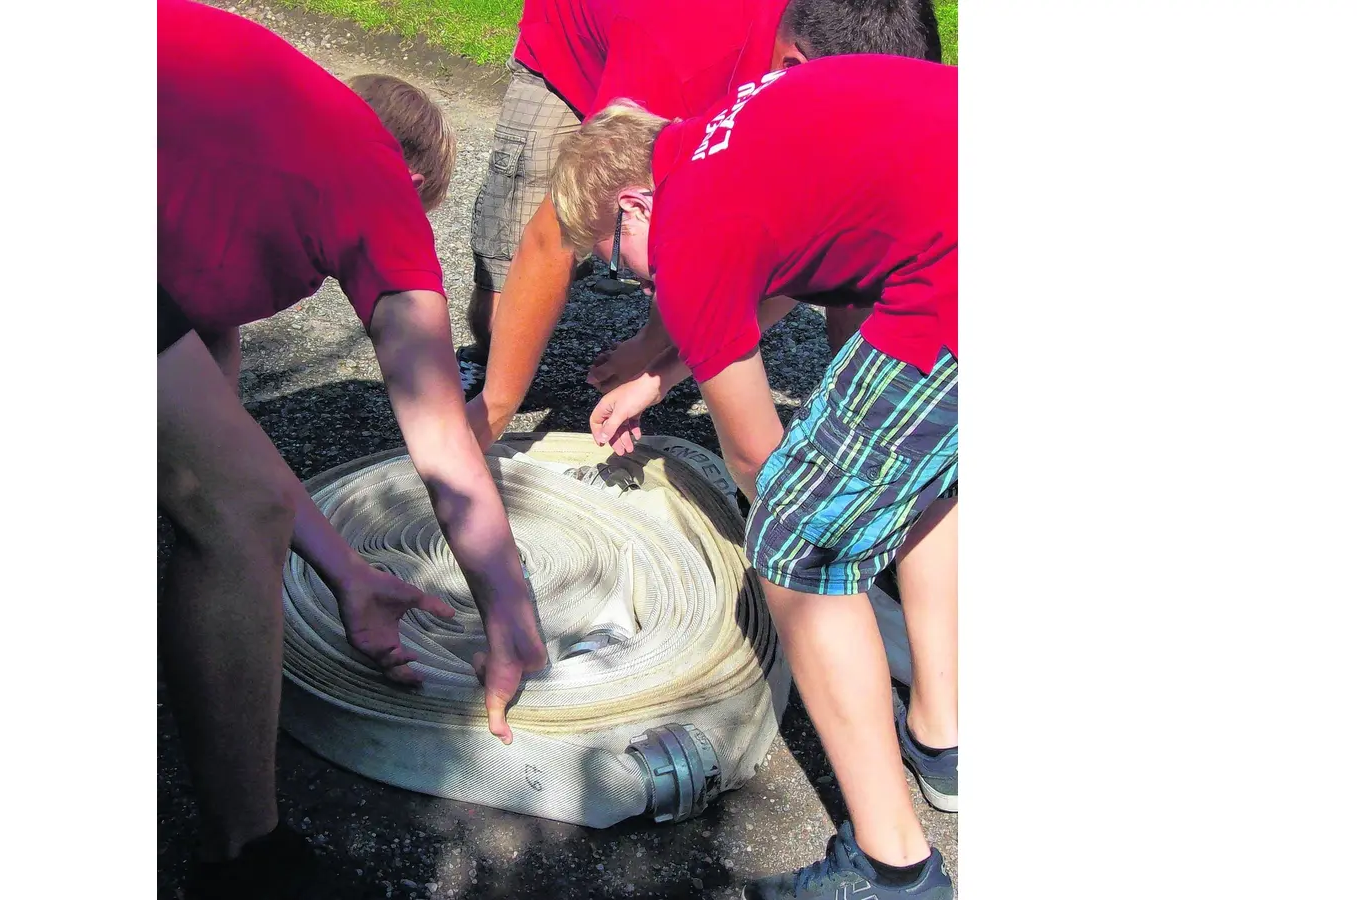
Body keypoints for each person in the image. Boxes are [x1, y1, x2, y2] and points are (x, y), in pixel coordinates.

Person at [157, 1, 546, 894]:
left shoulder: (239, 147)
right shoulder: (375, 181)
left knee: (228, 495)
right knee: (236, 513)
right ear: (412, 180)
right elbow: (440, 426)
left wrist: (346, 571)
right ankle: (247, 862)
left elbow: (227, 451)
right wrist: (509, 609)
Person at [549, 54, 957, 899]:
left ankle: (894, 869)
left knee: (798, 538)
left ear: (633, 205)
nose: (637, 282)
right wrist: (660, 375)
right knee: (923, 470)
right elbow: (772, 264)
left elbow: (755, 454)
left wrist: (822, 526)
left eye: (618, 262)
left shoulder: (689, 230)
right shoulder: (723, 131)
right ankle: (945, 738)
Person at [463, 0, 943, 449]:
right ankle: (489, 384)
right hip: (575, 46)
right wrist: (492, 412)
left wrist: (655, 357)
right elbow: (551, 239)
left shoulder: (882, 37)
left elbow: (820, 246)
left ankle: (860, 423)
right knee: (503, 306)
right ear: (790, 68)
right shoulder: (683, 59)